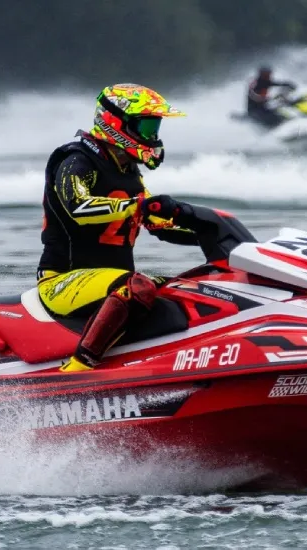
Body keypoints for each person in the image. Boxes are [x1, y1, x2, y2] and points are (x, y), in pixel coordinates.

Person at [38, 83, 198, 372]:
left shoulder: (128, 173)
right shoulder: (76, 159)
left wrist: (217, 236)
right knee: (135, 286)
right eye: (147, 127)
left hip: (112, 280)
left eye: (155, 128)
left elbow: (158, 222)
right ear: (117, 122)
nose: (153, 136)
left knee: (190, 288)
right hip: (62, 280)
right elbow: (77, 207)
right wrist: (136, 207)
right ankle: (77, 370)